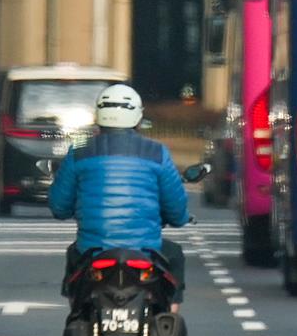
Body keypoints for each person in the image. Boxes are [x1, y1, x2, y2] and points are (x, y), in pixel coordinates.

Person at [48, 83, 191, 305]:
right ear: (138, 116)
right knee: (174, 256)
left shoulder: (79, 148)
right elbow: (177, 210)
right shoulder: (156, 151)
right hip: (146, 252)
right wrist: (178, 218)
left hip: (92, 253)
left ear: (98, 115)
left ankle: (79, 312)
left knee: (74, 260)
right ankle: (167, 322)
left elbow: (59, 206)